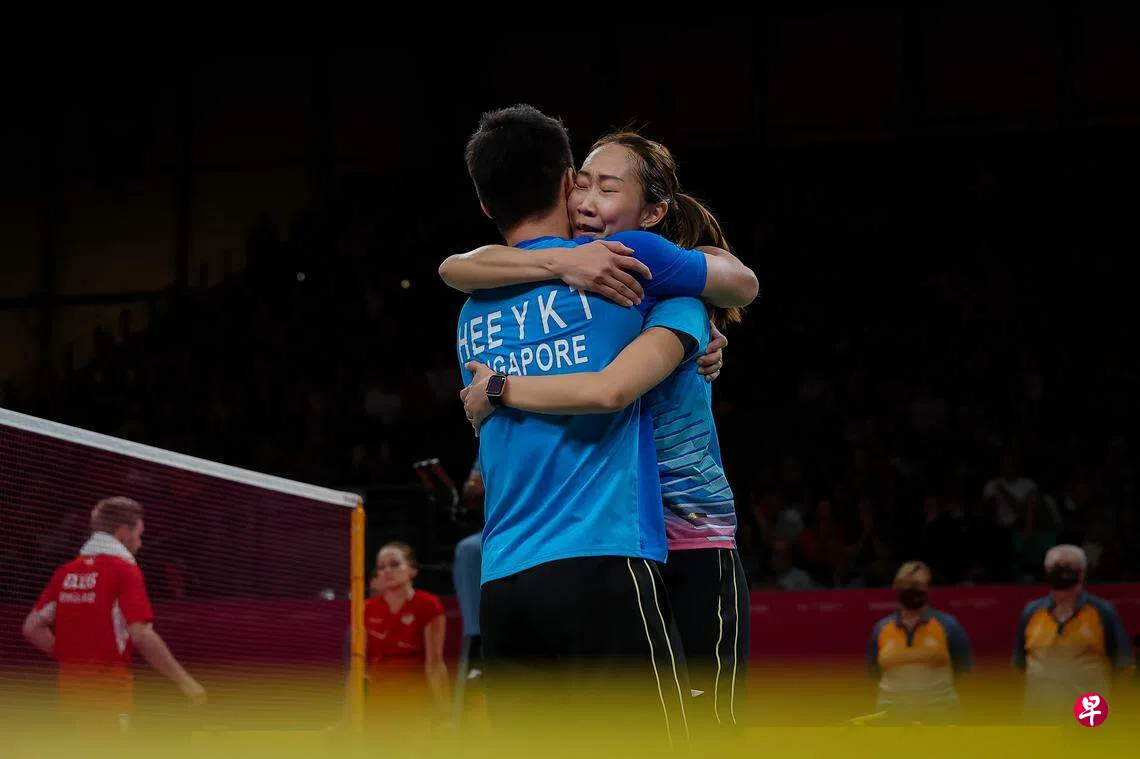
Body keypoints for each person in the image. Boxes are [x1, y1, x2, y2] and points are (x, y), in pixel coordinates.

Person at [452, 105, 757, 743]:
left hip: (688, 540)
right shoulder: (583, 267)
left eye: (608, 188)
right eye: (584, 183)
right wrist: (559, 264)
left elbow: (738, 285)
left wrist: (499, 388)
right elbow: (454, 266)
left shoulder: (632, 262)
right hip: (615, 552)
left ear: (653, 212)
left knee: (705, 732)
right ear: (566, 182)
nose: (589, 200)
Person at [22, 496, 205, 733]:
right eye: (139, 534)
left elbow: (32, 628)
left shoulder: (66, 572)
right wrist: (185, 681)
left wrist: (75, 659)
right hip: (109, 697)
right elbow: (141, 635)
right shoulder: (124, 571)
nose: (140, 543)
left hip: (70, 698)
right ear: (123, 533)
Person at [1014, 544, 1132, 723]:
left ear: (1082, 573)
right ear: (1046, 571)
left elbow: (1122, 664)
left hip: (1089, 717)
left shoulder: (1102, 611)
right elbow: (1019, 665)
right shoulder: (1031, 612)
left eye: (1068, 566)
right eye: (1055, 566)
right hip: (1039, 716)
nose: (1062, 571)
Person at [867, 561, 971, 724]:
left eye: (919, 585)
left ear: (928, 588)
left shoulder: (948, 625)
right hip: (892, 718)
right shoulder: (881, 629)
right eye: (908, 584)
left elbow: (963, 670)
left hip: (940, 717)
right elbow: (874, 674)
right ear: (897, 586)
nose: (914, 590)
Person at [364, 542, 448, 726]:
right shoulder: (365, 609)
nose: (387, 571)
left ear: (412, 570)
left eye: (394, 564)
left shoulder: (428, 604)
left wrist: (444, 715)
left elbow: (435, 665)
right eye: (381, 567)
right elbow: (358, 668)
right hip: (377, 707)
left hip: (416, 705)